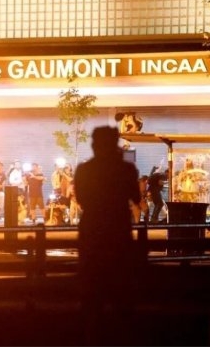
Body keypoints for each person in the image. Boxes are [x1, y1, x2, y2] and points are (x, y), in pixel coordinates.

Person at [73, 126, 141, 345]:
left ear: (94, 145)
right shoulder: (126, 170)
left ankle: (91, 337)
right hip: (118, 231)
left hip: (92, 231)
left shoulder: (84, 170)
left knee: (92, 294)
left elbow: (81, 199)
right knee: (121, 292)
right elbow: (136, 197)